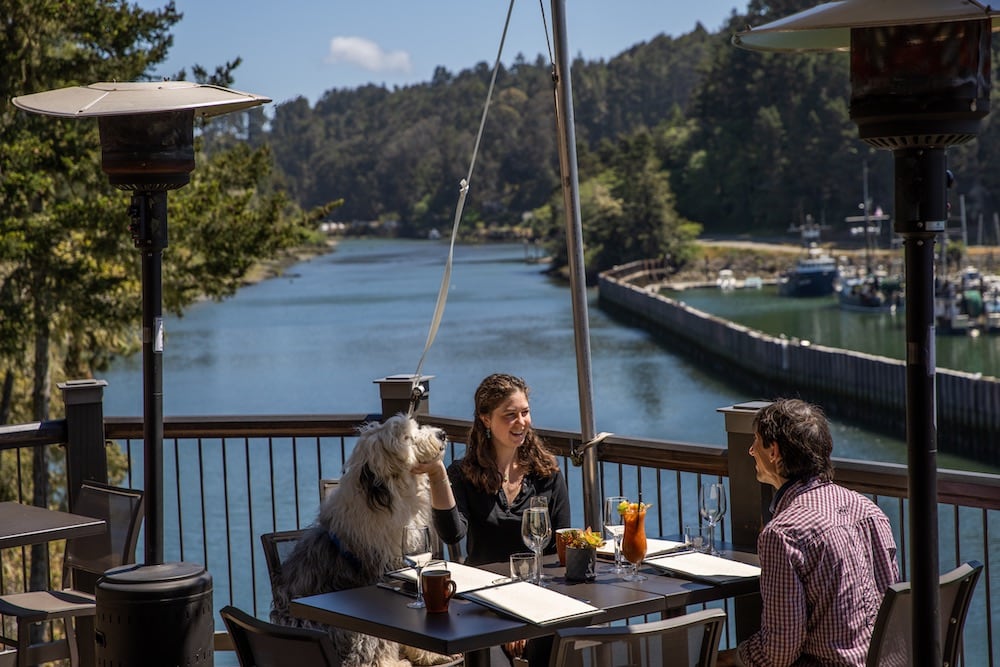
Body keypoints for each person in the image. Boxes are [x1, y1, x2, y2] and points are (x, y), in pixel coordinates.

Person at [717, 398, 899, 667]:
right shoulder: (869, 511)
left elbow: (779, 652)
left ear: (773, 452)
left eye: (755, 441)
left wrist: (732, 657)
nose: (750, 450)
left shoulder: (782, 534)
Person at [413, 372, 571, 665]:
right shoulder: (463, 474)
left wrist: (528, 614)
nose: (521, 422)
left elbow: (560, 549)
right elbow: (452, 534)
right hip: (483, 601)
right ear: (486, 419)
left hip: (540, 597)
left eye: (525, 412)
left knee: (556, 639)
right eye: (510, 415)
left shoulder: (547, 473)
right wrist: (437, 475)